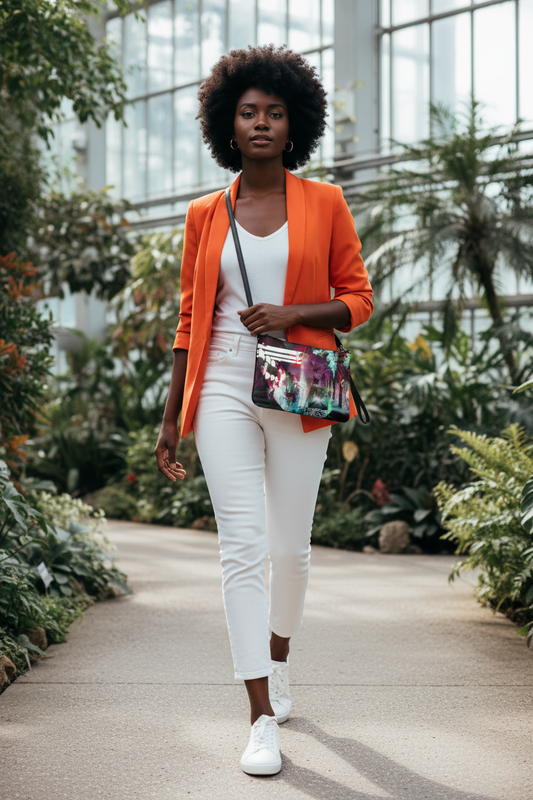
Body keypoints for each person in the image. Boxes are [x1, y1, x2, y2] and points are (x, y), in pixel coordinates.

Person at [154, 44, 373, 777]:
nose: (260, 122)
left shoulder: (325, 202)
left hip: (297, 384)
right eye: (247, 111)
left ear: (293, 123)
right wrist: (169, 417)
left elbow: (359, 300)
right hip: (220, 385)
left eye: (273, 112)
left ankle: (278, 661)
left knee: (289, 547)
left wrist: (293, 313)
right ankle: (256, 716)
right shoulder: (202, 215)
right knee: (240, 547)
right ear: (226, 121)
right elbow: (191, 318)